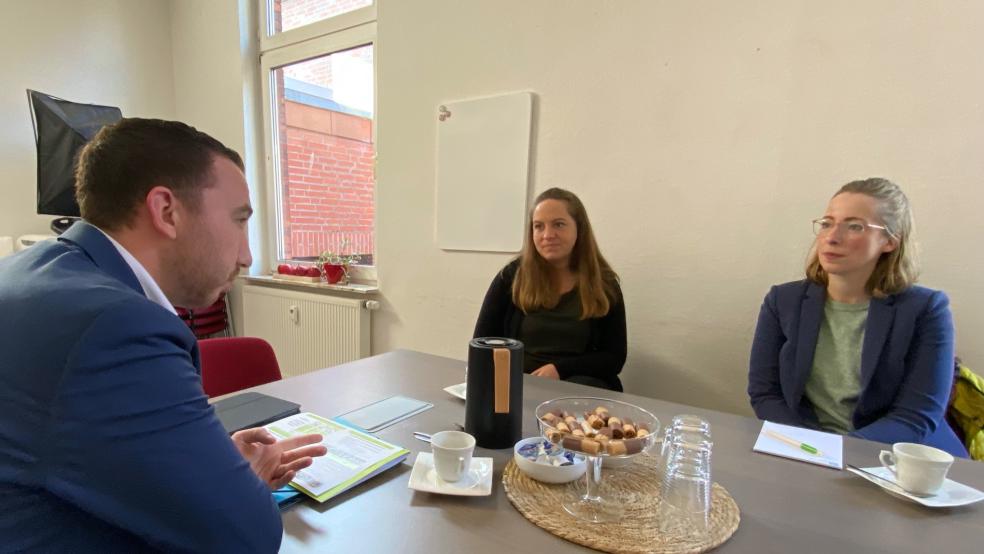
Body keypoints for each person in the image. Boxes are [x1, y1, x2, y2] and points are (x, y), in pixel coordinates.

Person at [0, 118, 328, 552]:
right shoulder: (116, 327)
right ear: (166, 211)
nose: (247, 256)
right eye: (239, 220)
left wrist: (201, 463)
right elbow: (245, 536)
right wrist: (239, 479)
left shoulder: (31, 270)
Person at [748, 178, 967, 457]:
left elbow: (916, 416)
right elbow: (765, 393)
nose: (832, 236)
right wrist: (810, 448)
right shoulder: (782, 300)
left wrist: (837, 451)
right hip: (807, 449)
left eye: (854, 226)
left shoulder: (926, 309)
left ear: (889, 241)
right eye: (827, 223)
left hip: (898, 459)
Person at [474, 187, 627, 391]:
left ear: (579, 229)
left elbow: (614, 358)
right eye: (539, 226)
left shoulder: (604, 283)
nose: (547, 235)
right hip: (520, 385)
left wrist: (559, 369)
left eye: (559, 224)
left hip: (578, 388)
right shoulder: (512, 277)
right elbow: (482, 344)